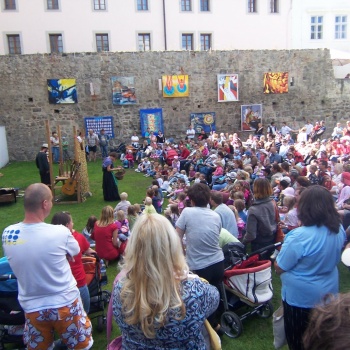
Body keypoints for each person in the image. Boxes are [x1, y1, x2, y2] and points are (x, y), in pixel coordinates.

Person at [2, 183, 93, 349]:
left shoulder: (8, 234)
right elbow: (75, 251)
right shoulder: (60, 232)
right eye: (51, 200)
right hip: (65, 303)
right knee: (80, 346)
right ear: (45, 204)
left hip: (33, 307)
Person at [112, 213, 220, 349]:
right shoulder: (194, 292)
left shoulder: (120, 289)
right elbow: (215, 297)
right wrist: (192, 278)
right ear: (172, 246)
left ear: (133, 247)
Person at [275, 185, 345, 350]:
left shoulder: (299, 236)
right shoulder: (338, 229)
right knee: (322, 339)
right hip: (328, 292)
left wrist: (276, 260)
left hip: (301, 300)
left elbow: (280, 267)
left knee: (299, 341)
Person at [176, 183, 224, 333]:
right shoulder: (216, 215)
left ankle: (207, 326)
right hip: (217, 262)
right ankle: (215, 323)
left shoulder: (187, 213)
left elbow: (177, 238)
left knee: (197, 298)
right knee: (214, 291)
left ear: (192, 200)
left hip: (199, 265)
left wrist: (182, 255)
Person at [51, 211, 95, 313]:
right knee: (84, 311)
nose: (73, 224)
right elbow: (88, 250)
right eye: (71, 222)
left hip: (57, 285)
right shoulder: (77, 238)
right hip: (78, 282)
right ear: (67, 226)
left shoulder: (48, 242)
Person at [243, 178, 277, 252]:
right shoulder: (272, 203)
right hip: (272, 239)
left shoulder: (253, 210)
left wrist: (242, 243)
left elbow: (251, 234)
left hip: (259, 243)